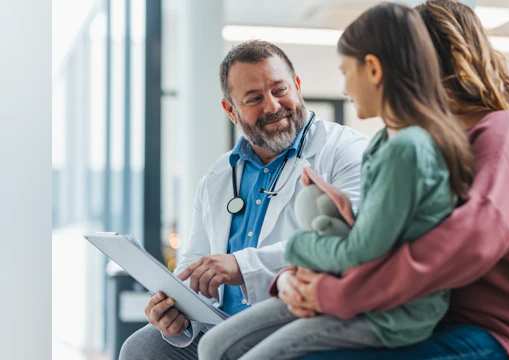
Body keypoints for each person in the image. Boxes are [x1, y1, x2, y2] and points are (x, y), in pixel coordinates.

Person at [275, 1, 509, 359]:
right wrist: (294, 276)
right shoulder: (424, 142)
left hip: (506, 335)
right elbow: (394, 239)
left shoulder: (502, 133)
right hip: (430, 318)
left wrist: (337, 294)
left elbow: (468, 243)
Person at [196, 3, 475, 360]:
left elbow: (363, 248)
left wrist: (299, 248)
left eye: (346, 72)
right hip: (356, 289)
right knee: (212, 344)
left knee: (239, 352)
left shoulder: (404, 148)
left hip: (387, 311)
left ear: (373, 70)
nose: (343, 88)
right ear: (231, 109)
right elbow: (375, 230)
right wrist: (339, 216)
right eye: (253, 99)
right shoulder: (385, 143)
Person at [118, 40, 369, 359]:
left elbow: (347, 241)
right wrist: (175, 311)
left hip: (294, 312)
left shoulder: (345, 151)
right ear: (230, 110)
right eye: (254, 98)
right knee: (142, 348)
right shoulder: (219, 175)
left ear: (298, 86)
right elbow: (195, 258)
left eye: (280, 90)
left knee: (220, 347)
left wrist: (243, 266)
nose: (273, 106)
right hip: (218, 320)